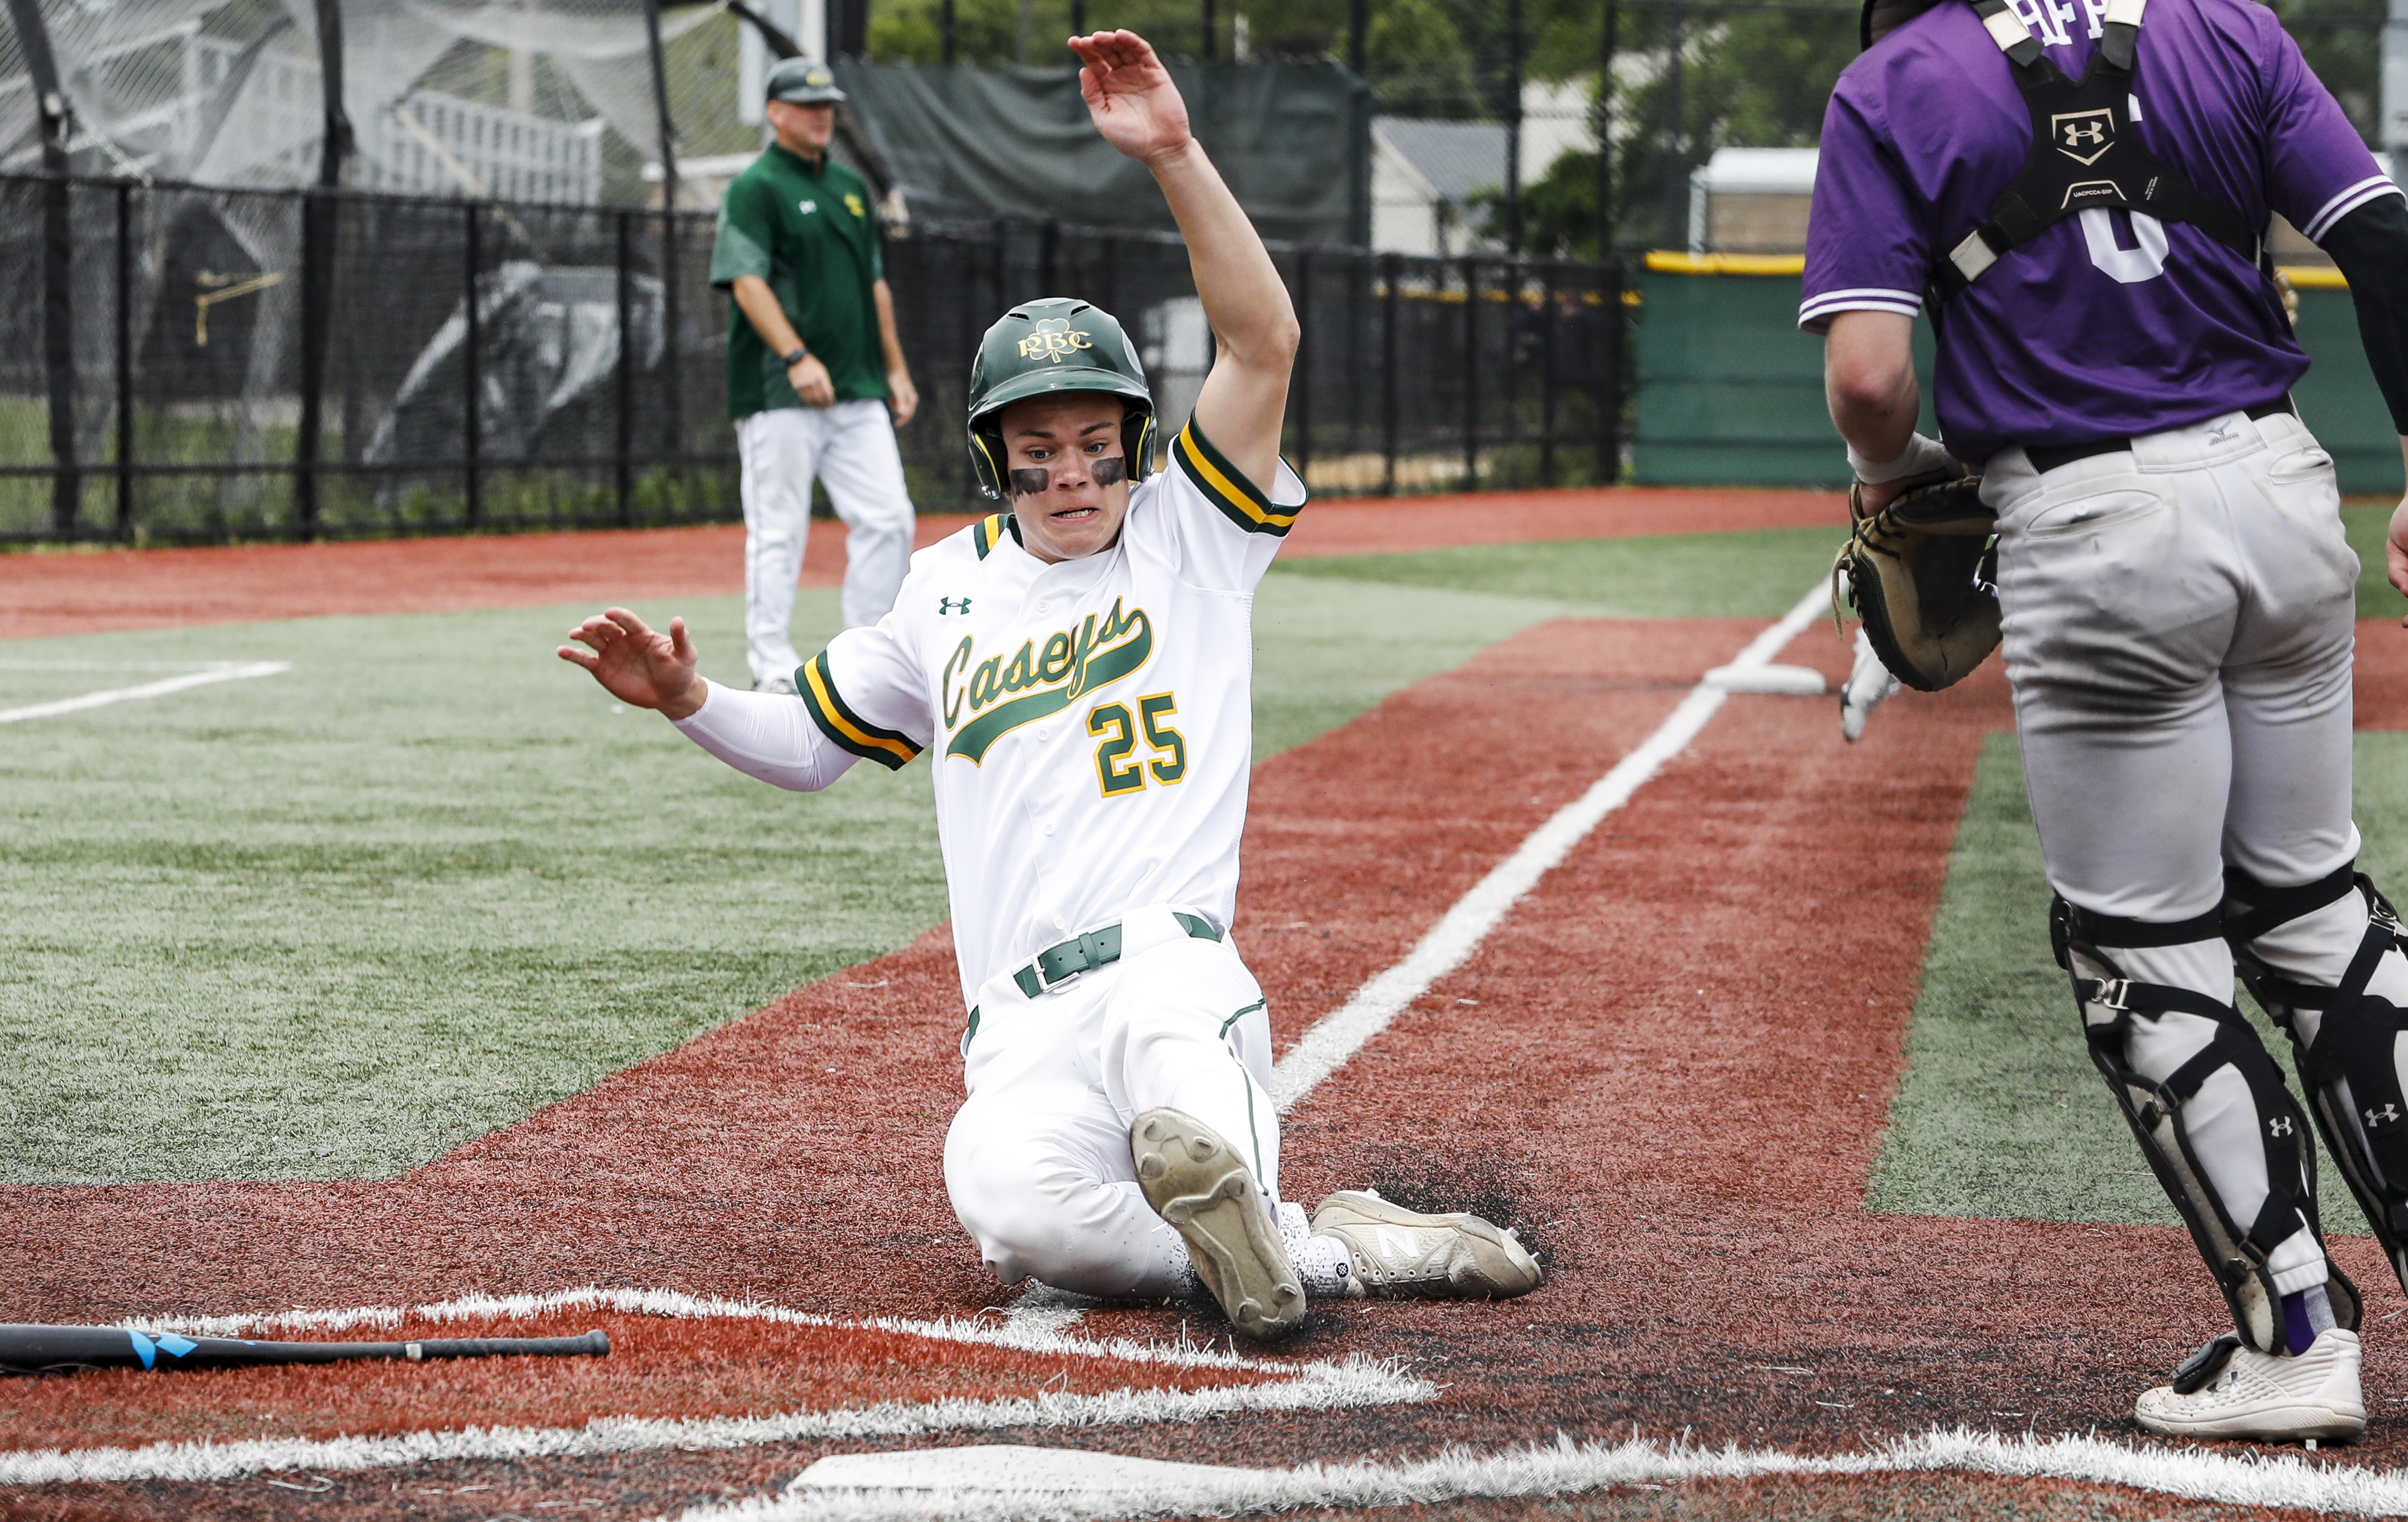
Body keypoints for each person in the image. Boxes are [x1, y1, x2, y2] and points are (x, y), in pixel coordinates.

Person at [564, 30, 1541, 1340]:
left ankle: (1239, 1206)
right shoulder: (941, 588)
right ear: (993, 460)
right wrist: (690, 701)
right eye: (1038, 448)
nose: (1072, 471)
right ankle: (1317, 1244)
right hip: (1016, 1028)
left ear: (1135, 442)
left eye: (1095, 440)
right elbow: (806, 739)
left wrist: (1176, 156)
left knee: (1180, 1094)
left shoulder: (1189, 535)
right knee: (1009, 1208)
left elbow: (1264, 340)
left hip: (1165, 972)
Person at [1804, 0, 2408, 1441]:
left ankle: (2297, 1335)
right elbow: (2380, 239)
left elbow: (1870, 378)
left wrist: (1891, 477)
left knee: (2139, 946)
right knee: (2317, 907)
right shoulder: (2228, 26)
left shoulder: (1894, 80)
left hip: (2093, 521)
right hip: (2282, 488)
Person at [711, 57, 922, 693]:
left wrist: (896, 368)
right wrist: (796, 357)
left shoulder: (852, 188)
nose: (822, 113)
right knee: (779, 528)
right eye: (807, 104)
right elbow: (746, 281)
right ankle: (771, 665)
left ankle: (866, 659)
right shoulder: (756, 186)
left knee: (890, 518)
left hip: (857, 387)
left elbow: (875, 285)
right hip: (779, 391)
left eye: (828, 103)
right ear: (775, 113)